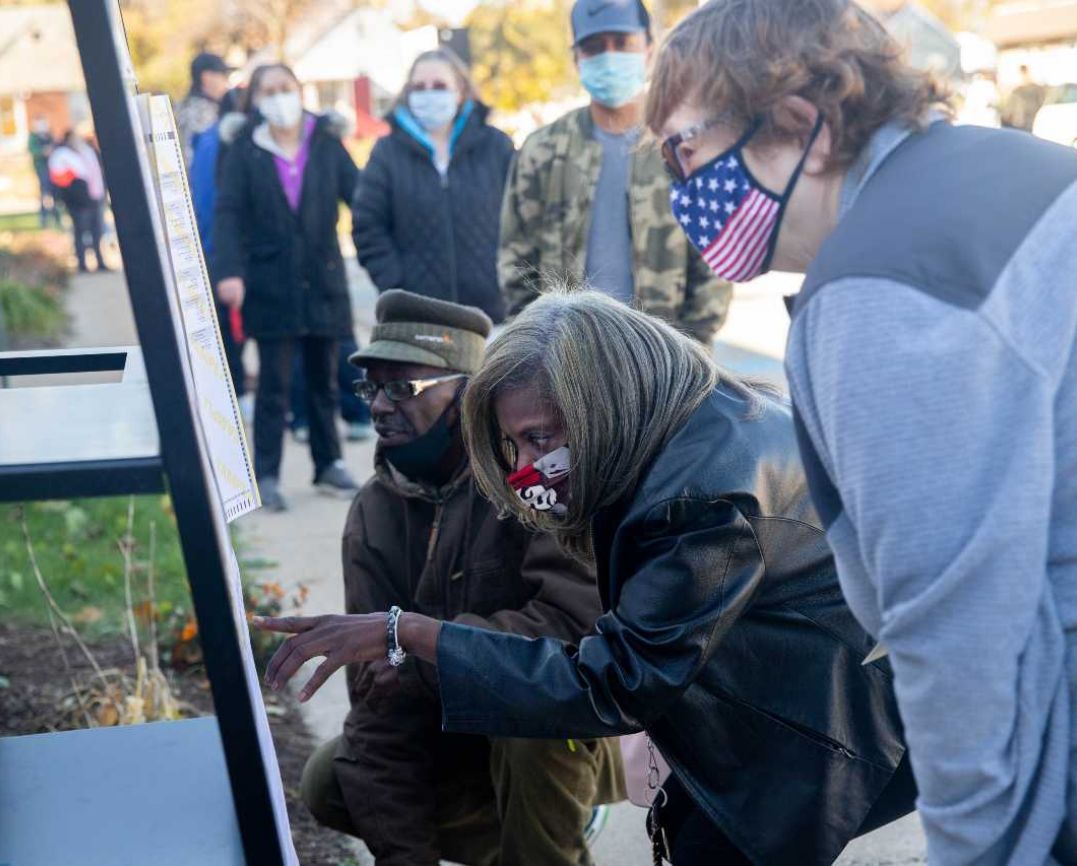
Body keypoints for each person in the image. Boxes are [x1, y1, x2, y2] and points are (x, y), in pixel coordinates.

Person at [643, 1, 1077, 863]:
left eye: (683, 149)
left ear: (799, 121)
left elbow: (960, 652)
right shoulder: (1030, 174)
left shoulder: (880, 286)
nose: (679, 190)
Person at [256, 289, 917, 866]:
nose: (528, 469)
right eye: (514, 446)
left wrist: (415, 636)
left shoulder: (695, 499)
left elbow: (608, 679)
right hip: (752, 698)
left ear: (598, 400)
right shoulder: (679, 433)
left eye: (540, 438)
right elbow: (381, 711)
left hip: (839, 712)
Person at [297, 289, 622, 866]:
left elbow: (573, 632)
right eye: (371, 388)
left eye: (404, 388)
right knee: (330, 778)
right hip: (458, 736)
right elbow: (376, 708)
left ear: (467, 397)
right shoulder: (373, 512)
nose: (378, 406)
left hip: (579, 727)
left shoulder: (532, 477)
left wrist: (420, 654)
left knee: (526, 721)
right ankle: (516, 842)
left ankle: (552, 838)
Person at [497, 0, 731, 343]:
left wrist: (686, 354)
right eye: (593, 47)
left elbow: (713, 262)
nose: (609, 57)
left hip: (665, 359)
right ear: (576, 58)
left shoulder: (687, 145)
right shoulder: (542, 150)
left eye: (622, 43)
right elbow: (516, 261)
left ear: (649, 48)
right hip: (565, 360)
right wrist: (537, 349)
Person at [212, 64, 361, 509]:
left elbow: (362, 197)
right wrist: (229, 272)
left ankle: (329, 463)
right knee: (274, 385)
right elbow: (229, 214)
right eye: (268, 90)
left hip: (323, 279)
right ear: (254, 99)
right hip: (269, 281)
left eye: (285, 88)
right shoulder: (244, 148)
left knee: (324, 380)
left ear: (300, 90)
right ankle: (268, 475)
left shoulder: (326, 141)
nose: (278, 97)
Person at [352, 48, 515, 322]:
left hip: (492, 314)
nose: (429, 94)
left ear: (460, 90)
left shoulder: (496, 146)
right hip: (418, 319)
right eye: (419, 87)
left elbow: (524, 220)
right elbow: (368, 225)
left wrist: (509, 279)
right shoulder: (387, 153)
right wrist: (396, 285)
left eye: (439, 86)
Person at [190, 88, 248, 408]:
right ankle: (237, 390)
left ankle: (234, 389)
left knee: (225, 327)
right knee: (231, 326)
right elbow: (215, 201)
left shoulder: (206, 140)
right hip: (224, 248)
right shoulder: (225, 144)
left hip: (211, 245)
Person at [48, 125, 108, 274]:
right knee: (80, 232)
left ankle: (100, 261)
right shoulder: (62, 155)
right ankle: (82, 264)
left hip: (94, 197)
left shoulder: (88, 152)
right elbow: (59, 178)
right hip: (77, 201)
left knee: (97, 231)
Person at [176, 51, 230, 167]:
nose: (226, 82)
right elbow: (201, 157)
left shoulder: (187, 106)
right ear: (207, 78)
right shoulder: (201, 112)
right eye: (223, 76)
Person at [27, 117, 62, 228]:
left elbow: (56, 146)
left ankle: (56, 217)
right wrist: (43, 151)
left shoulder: (49, 135)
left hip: (52, 168)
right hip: (41, 168)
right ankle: (44, 217)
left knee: (54, 193)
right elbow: (33, 150)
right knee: (44, 193)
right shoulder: (33, 137)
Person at [1002, 64, 1047, 132]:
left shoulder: (1034, 88)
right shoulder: (1017, 90)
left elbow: (1041, 100)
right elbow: (1011, 106)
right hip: (1020, 119)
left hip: (1029, 117)